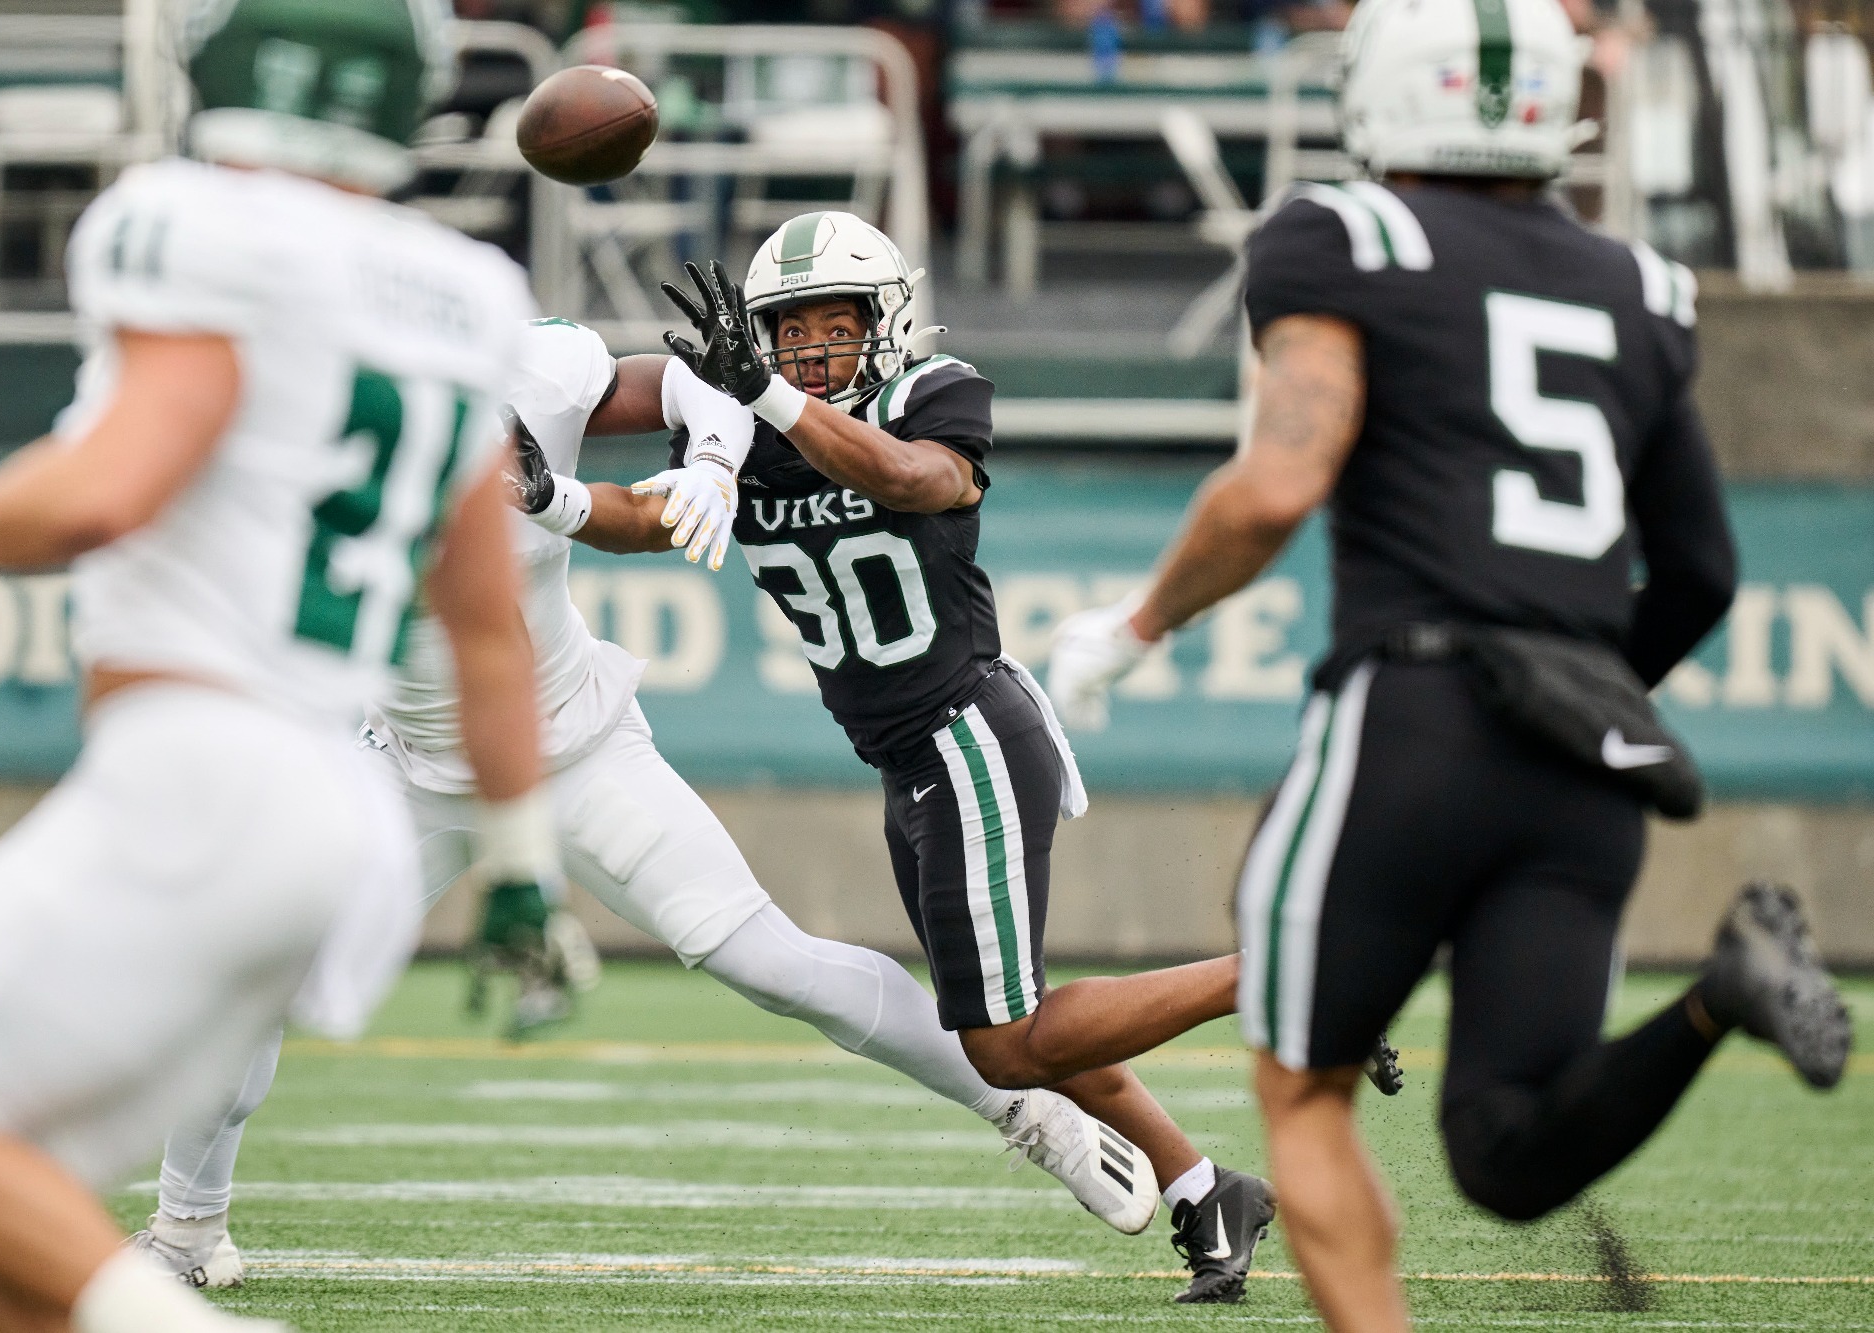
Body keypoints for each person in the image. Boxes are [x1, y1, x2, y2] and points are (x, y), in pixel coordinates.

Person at [1045, 0, 1853, 1328]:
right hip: (1587, 750)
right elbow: (1703, 569)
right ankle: (1719, 997)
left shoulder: (1344, 236)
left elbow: (1275, 486)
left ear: (1383, 94)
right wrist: (1579, 685)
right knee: (1507, 1148)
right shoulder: (1637, 284)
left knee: (1302, 1087)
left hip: (1412, 714)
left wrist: (1133, 629)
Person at [128, 316, 1178, 1289]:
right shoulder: (261, 469)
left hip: (577, 747)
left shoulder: (526, 374)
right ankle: (185, 1228)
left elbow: (691, 380)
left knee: (770, 961)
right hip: (402, 763)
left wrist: (715, 463)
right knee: (248, 980)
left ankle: (1031, 1113)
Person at [0, 2, 551, 1330]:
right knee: (4, 1202)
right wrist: (524, 865)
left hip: (205, 772)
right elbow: (483, 617)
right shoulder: (468, 290)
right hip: (329, 806)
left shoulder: (194, 223)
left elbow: (101, 493)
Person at [624, 212, 1290, 1304]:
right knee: (1008, 1015)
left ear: (882, 326)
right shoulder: (739, 428)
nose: (805, 356)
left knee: (1002, 1042)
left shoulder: (929, 391)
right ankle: (1202, 1187)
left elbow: (917, 481)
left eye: (830, 332)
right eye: (785, 336)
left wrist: (773, 401)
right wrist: (551, 500)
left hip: (965, 731)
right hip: (906, 758)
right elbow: (656, 520)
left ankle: (1272, 977)